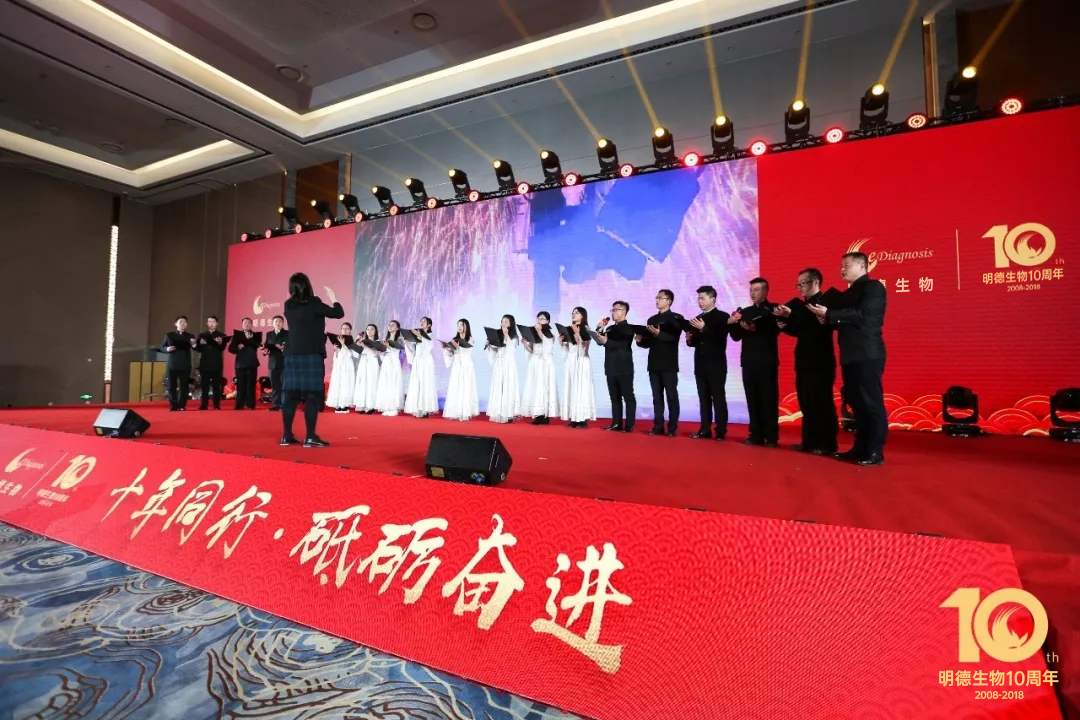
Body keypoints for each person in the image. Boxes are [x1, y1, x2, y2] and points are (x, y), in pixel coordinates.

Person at [808, 252, 887, 466]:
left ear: (862, 266)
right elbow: (845, 321)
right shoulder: (848, 293)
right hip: (850, 355)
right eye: (841, 266)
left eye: (847, 265)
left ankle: (875, 451)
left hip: (867, 354)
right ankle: (860, 448)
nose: (842, 269)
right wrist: (827, 319)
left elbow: (863, 315)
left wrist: (830, 314)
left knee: (871, 403)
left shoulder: (874, 287)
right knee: (857, 404)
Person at [774, 268, 839, 455]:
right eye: (798, 284)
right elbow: (800, 330)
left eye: (804, 283)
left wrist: (792, 316)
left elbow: (818, 326)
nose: (800, 287)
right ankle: (809, 441)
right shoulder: (800, 307)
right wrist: (784, 325)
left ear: (816, 282)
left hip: (821, 361)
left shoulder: (826, 302)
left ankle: (827, 443)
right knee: (806, 402)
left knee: (822, 402)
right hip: (803, 360)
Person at [280, 272, 344, 447]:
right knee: (312, 396)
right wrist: (333, 297)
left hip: (292, 355)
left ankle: (286, 436)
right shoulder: (314, 303)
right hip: (312, 355)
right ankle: (310, 437)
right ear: (308, 286)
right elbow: (338, 313)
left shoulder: (288, 305)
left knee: (290, 397)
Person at [729, 278, 781, 447]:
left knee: (769, 399)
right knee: (752, 399)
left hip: (767, 361)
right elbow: (735, 337)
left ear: (765, 292)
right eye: (751, 290)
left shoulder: (773, 310)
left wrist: (756, 328)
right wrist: (734, 324)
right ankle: (755, 434)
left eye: (756, 290)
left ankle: (771, 437)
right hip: (748, 361)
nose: (753, 293)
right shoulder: (745, 311)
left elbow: (776, 330)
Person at [635, 289, 683, 436]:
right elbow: (649, 343)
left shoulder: (676, 318)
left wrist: (659, 333)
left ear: (669, 301)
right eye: (656, 297)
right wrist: (640, 341)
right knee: (657, 397)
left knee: (671, 396)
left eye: (660, 298)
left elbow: (673, 338)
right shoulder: (652, 320)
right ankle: (658, 426)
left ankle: (672, 427)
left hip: (669, 363)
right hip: (654, 363)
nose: (657, 300)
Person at [686, 286, 731, 440]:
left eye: (702, 298)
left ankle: (720, 431)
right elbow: (696, 342)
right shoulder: (697, 318)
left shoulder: (722, 317)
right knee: (703, 398)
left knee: (718, 397)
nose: (699, 301)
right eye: (698, 298)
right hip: (700, 363)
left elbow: (720, 338)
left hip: (716, 364)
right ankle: (705, 429)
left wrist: (704, 328)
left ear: (712, 299)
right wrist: (690, 339)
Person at [595, 301, 636, 432]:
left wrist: (607, 341)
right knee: (614, 397)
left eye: (616, 310)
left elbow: (622, 345)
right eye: (612, 310)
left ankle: (629, 425)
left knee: (628, 397)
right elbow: (600, 342)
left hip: (624, 367)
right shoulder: (610, 328)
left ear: (623, 312)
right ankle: (616, 423)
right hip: (610, 366)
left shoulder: (629, 328)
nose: (613, 313)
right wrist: (599, 329)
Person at [559, 306, 597, 429]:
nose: (574, 315)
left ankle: (582, 419)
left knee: (582, 389)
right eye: (573, 313)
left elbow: (583, 349)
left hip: (582, 361)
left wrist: (577, 333)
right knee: (572, 388)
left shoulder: (586, 329)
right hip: (571, 362)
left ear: (583, 316)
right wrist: (562, 343)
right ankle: (574, 417)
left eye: (577, 313)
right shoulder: (569, 329)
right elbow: (568, 350)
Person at [520, 311, 559, 425]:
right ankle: (538, 413)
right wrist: (525, 344)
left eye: (542, 319)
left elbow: (547, 347)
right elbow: (533, 350)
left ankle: (545, 415)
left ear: (548, 321)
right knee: (535, 387)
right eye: (538, 318)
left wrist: (539, 331)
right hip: (535, 362)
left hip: (545, 362)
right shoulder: (534, 332)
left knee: (544, 388)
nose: (539, 320)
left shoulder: (551, 332)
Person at [485, 314, 520, 423]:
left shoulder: (514, 337)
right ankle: (498, 412)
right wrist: (489, 345)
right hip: (499, 364)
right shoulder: (498, 335)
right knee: (498, 387)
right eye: (502, 321)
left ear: (511, 324)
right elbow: (496, 350)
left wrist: (505, 335)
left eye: (506, 322)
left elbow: (509, 349)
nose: (503, 323)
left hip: (508, 364)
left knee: (508, 387)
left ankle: (508, 414)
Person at [442, 319, 479, 421]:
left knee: (465, 387)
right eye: (458, 325)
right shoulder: (455, 339)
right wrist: (446, 348)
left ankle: (465, 412)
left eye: (461, 325)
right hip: (457, 365)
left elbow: (467, 352)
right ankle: (456, 412)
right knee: (456, 387)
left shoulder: (470, 339)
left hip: (466, 366)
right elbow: (451, 354)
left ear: (466, 326)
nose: (459, 327)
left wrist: (457, 347)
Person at [404, 317, 438, 418]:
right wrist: (407, 343)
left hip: (426, 361)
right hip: (418, 360)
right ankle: (417, 408)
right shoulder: (417, 335)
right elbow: (413, 350)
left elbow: (428, 345)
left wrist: (419, 335)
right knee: (416, 383)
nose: (421, 323)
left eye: (424, 321)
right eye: (421, 321)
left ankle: (425, 409)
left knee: (425, 383)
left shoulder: (430, 335)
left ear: (429, 325)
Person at [161, 315, 195, 411]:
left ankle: (182, 405)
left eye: (185, 322)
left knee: (184, 386)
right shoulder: (169, 335)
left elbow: (196, 348)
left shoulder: (190, 336)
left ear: (187, 324)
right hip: (172, 364)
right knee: (171, 385)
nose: (183, 323)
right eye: (180, 322)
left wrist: (194, 344)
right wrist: (167, 349)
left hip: (185, 364)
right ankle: (173, 405)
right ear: (176, 324)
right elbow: (162, 347)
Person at [195, 315, 227, 410]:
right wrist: (200, 344)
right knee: (204, 385)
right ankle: (204, 405)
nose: (211, 323)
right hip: (204, 364)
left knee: (216, 386)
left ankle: (216, 405)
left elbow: (222, 348)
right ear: (207, 323)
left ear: (217, 323)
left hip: (216, 363)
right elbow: (198, 349)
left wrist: (220, 343)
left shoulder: (222, 335)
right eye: (209, 321)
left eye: (213, 322)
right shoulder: (202, 335)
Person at [374, 321, 405, 416]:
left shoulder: (399, 339)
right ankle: (386, 406)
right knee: (385, 383)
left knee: (393, 383)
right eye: (389, 325)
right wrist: (380, 353)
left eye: (393, 325)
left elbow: (398, 352)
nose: (390, 326)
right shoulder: (386, 339)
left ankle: (394, 407)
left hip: (394, 363)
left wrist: (388, 347)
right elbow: (385, 354)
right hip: (386, 363)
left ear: (397, 328)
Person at [228, 318, 260, 410]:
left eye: (249, 323)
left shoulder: (255, 335)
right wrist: (238, 348)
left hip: (252, 363)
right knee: (240, 385)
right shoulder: (237, 335)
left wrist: (247, 341)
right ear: (242, 324)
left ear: (251, 325)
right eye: (245, 323)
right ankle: (239, 405)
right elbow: (231, 349)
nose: (247, 324)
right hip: (240, 364)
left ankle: (250, 405)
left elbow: (256, 345)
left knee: (251, 385)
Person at [326, 322, 357, 413]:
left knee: (346, 384)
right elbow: (337, 357)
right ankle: (338, 404)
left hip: (347, 365)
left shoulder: (351, 341)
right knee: (338, 384)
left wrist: (343, 345)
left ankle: (345, 405)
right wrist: (336, 350)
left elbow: (353, 355)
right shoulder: (338, 340)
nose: (344, 330)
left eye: (347, 328)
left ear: (350, 331)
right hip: (338, 365)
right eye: (343, 328)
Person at [352, 324, 382, 414]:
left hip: (372, 363)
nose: (369, 331)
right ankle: (363, 405)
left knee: (371, 383)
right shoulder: (362, 341)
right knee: (362, 383)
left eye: (372, 329)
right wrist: (356, 344)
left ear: (375, 331)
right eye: (368, 329)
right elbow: (355, 354)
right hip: (363, 362)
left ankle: (371, 406)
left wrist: (366, 346)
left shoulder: (378, 342)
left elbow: (377, 354)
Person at [263, 315, 288, 411]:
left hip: (284, 362)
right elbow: (267, 346)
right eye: (276, 321)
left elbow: (292, 346)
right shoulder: (269, 334)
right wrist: (265, 351)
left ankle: (284, 405)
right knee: (275, 385)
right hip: (272, 363)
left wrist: (283, 348)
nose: (278, 323)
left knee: (284, 385)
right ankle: (276, 405)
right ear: (272, 323)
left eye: (280, 321)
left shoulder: (287, 333)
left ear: (283, 323)